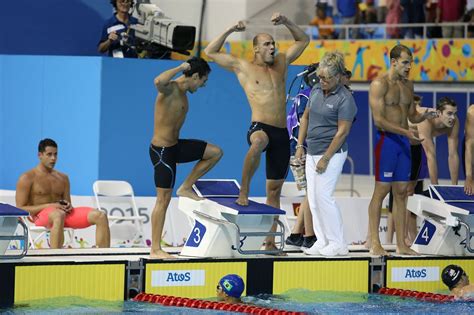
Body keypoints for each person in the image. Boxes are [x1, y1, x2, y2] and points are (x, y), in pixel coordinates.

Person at [204, 13, 309, 251]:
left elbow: (303, 41)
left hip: (282, 132)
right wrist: (231, 28)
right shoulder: (244, 67)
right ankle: (244, 190)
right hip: (260, 127)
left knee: (274, 192)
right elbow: (210, 51)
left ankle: (270, 241)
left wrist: (287, 22)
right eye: (267, 44)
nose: (273, 47)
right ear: (256, 50)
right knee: (259, 141)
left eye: (273, 43)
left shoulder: (282, 62)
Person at [149, 57, 223, 259]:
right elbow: (158, 81)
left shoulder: (183, 93)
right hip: (162, 152)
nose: (203, 86)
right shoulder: (170, 88)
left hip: (175, 147)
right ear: (195, 76)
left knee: (215, 153)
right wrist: (180, 67)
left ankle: (186, 186)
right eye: (203, 81)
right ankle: (155, 249)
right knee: (162, 200)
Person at [367, 44, 437, 256]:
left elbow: (412, 115)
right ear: (394, 61)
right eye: (405, 62)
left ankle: (401, 244)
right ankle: (375, 244)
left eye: (411, 62)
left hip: (404, 144)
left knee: (401, 193)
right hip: (387, 142)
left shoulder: (409, 85)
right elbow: (378, 121)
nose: (409, 67)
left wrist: (425, 116)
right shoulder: (379, 84)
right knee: (381, 191)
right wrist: (404, 132)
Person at [295, 51, 358, 256]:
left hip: (332, 153)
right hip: (312, 151)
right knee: (312, 198)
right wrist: (299, 146)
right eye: (320, 77)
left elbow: (343, 132)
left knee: (324, 197)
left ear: (338, 76)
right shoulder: (314, 90)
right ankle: (322, 240)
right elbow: (305, 118)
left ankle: (338, 243)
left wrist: (326, 158)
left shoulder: (345, 99)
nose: (321, 81)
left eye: (326, 78)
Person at [15, 139, 110, 249]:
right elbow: (20, 209)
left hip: (62, 214)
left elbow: (68, 203)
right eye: (49, 154)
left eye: (56, 154)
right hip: (40, 216)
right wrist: (50, 206)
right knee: (58, 214)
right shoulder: (27, 178)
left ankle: (103, 257)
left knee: (100, 216)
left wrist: (68, 205)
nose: (53, 158)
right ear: (40, 155)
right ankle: (55, 259)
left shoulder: (63, 178)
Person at [285, 64, 318, 249]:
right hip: (301, 149)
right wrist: (300, 147)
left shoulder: (301, 95)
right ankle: (305, 234)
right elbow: (303, 124)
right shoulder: (310, 96)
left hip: (297, 149)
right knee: (311, 192)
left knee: (310, 193)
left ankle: (299, 234)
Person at [464, 105, 474, 195]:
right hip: (472, 149)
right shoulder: (472, 112)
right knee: (471, 188)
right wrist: (469, 176)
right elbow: (469, 144)